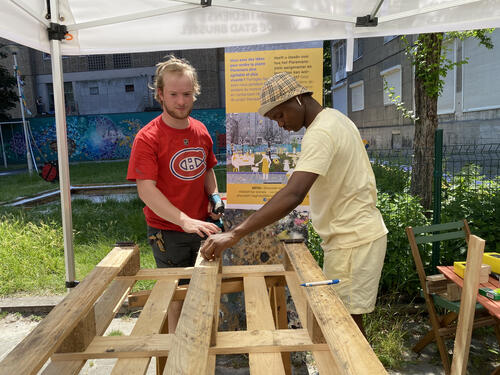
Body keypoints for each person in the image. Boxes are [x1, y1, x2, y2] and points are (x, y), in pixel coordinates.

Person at [200, 72, 388, 336]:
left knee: (345, 330)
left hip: (353, 240)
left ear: (298, 99)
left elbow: (294, 194)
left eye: (280, 115)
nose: (280, 124)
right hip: (352, 237)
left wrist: (234, 234)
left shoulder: (321, 132)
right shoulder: (334, 118)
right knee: (345, 324)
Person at [127, 55, 222, 332]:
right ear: (160, 94)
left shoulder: (201, 130)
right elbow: (146, 190)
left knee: (206, 292)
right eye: (174, 94)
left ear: (195, 93)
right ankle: (176, 360)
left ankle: (205, 354)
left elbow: (207, 170)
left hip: (204, 228)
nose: (181, 101)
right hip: (168, 232)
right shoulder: (147, 137)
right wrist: (184, 221)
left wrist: (214, 196)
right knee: (176, 297)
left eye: (187, 94)